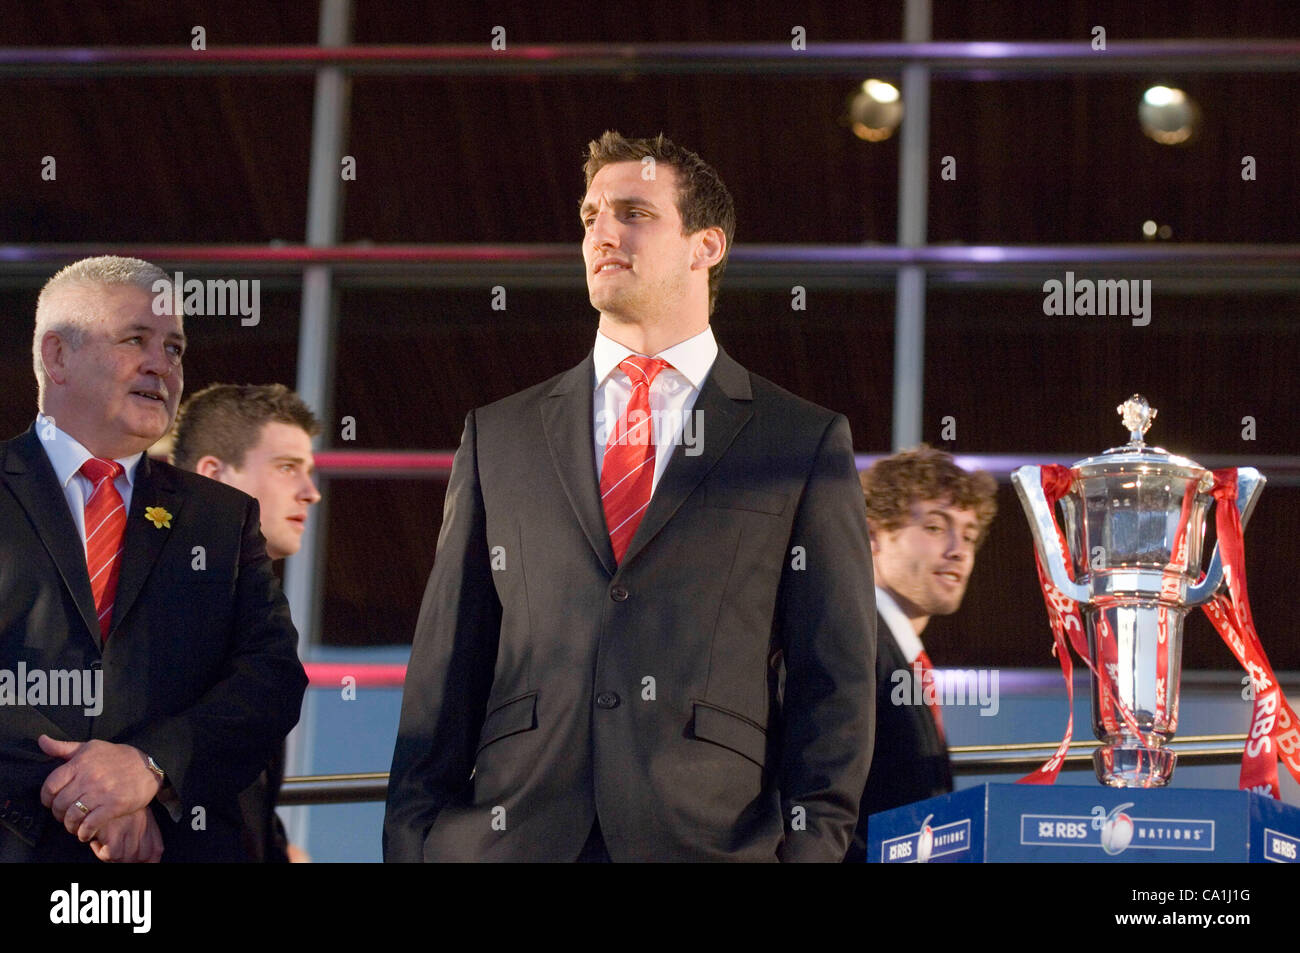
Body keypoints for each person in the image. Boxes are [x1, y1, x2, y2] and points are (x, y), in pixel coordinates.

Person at [384, 131, 876, 863]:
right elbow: (445, 664)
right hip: (508, 840)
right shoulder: (499, 435)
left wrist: (812, 850)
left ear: (704, 245)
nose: (603, 234)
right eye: (590, 217)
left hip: (712, 841)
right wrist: (415, 843)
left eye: (634, 212)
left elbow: (834, 683)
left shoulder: (799, 440)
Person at [0, 255, 307, 862]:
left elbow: (271, 677)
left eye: (174, 348)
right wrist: (91, 800)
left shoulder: (223, 518)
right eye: (135, 340)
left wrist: (149, 768)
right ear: (57, 356)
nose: (160, 366)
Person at [172, 382, 322, 862]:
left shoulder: (248, 601)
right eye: (286, 468)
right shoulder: (159, 594)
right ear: (214, 476)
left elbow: (234, 787)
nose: (311, 492)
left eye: (309, 471)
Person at [846, 445, 997, 862]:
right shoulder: (852, 643)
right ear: (873, 535)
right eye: (935, 527)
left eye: (968, 534)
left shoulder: (896, 653)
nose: (958, 550)